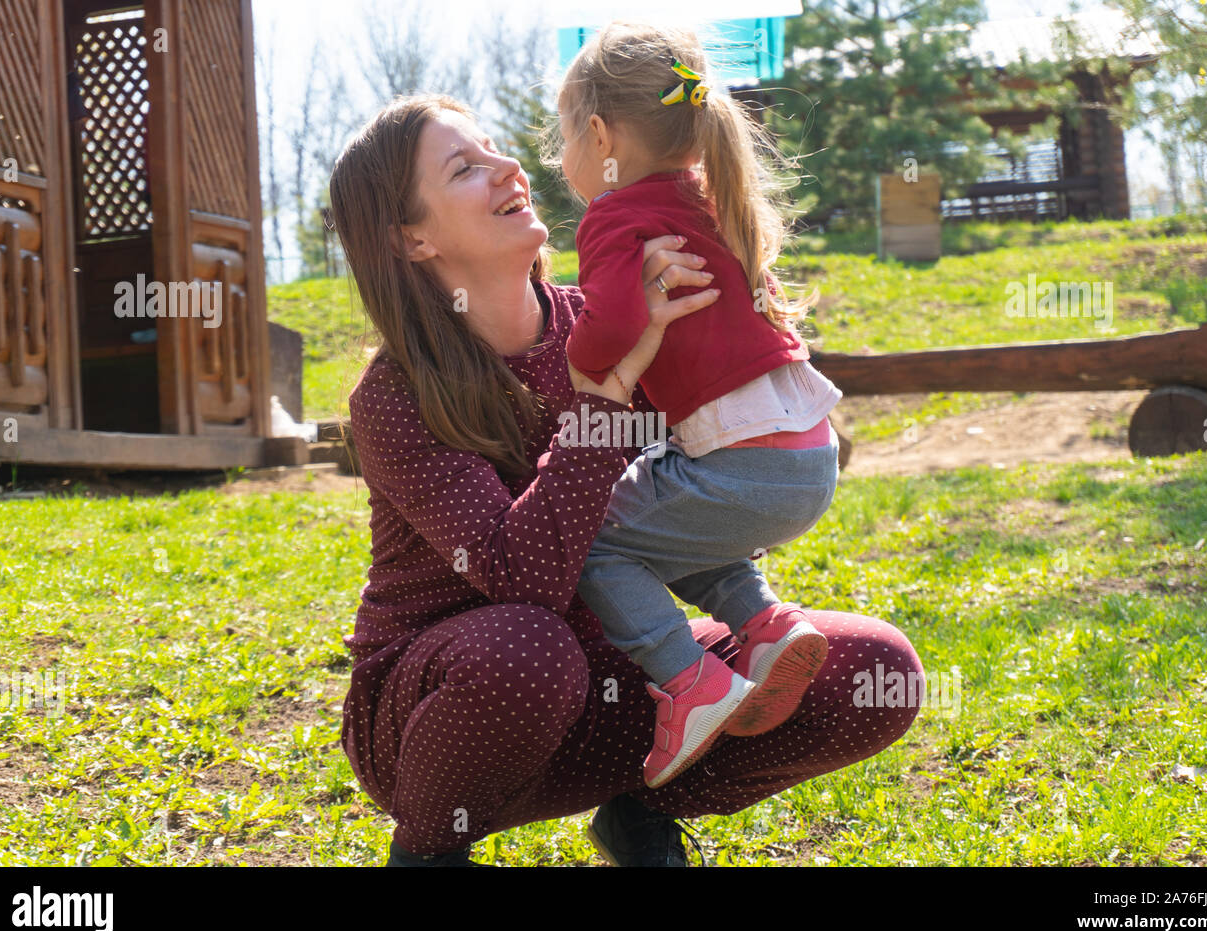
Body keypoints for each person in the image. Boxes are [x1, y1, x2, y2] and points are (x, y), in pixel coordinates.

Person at [328, 92, 924, 867]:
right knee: (529, 646)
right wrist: (606, 397)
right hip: (454, 708)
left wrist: (737, 314)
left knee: (874, 671)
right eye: (465, 168)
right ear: (411, 237)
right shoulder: (395, 395)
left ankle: (641, 809)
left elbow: (698, 479)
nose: (510, 166)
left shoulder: (618, 312)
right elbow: (522, 578)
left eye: (494, 148)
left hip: (629, 675)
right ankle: (430, 853)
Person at [553, 22, 845, 789]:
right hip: (809, 457)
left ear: (598, 132)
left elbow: (614, 326)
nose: (559, 161)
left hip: (743, 467)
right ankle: (766, 623)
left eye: (562, 139)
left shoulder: (615, 216)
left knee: (595, 540)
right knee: (673, 518)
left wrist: (576, 358)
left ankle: (690, 683)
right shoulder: (714, 198)